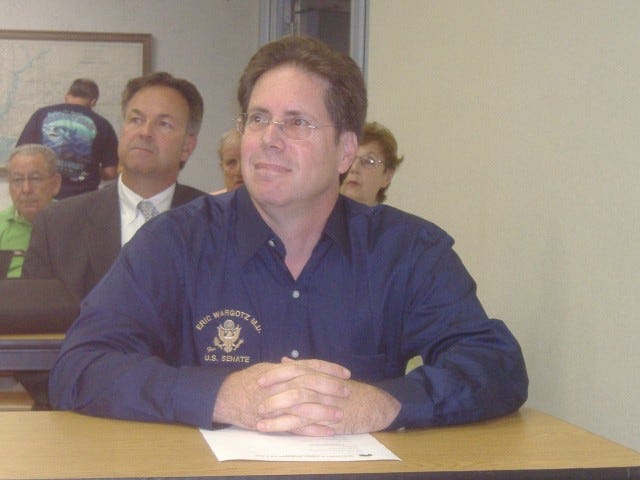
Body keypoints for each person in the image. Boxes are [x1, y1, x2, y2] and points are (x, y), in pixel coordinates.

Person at [49, 36, 528, 436]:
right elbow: (81, 365)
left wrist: (385, 402)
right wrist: (218, 395)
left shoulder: (405, 251)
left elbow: (494, 366)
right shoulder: (174, 241)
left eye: (296, 122)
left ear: (345, 151)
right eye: (258, 118)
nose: (269, 137)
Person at [22, 72, 206, 301]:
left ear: (187, 146)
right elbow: (37, 326)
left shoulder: (215, 224)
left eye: (164, 124)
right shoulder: (56, 225)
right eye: (136, 120)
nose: (145, 132)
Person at [16, 78, 118, 199]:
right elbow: (110, 172)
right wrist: (86, 168)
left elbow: (20, 155)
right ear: (93, 101)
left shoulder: (41, 115)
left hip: (44, 195)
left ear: (67, 96)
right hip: (83, 198)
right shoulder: (103, 124)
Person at [0, 144, 61, 277]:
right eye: (18, 180)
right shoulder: (1, 225)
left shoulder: (76, 222)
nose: (26, 189)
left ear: (56, 183)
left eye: (35, 179)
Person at [340, 121, 403, 206]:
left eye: (368, 161)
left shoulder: (397, 219)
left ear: (387, 176)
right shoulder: (317, 215)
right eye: (347, 158)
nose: (354, 168)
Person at [210, 129, 243, 194]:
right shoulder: (208, 203)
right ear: (222, 167)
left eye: (244, 161)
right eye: (231, 162)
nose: (238, 171)